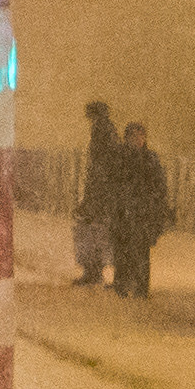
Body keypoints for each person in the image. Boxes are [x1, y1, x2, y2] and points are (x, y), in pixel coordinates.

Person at [95, 118, 173, 298]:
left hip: (141, 214)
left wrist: (153, 207)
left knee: (140, 252)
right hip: (124, 212)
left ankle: (140, 288)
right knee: (122, 250)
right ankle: (122, 285)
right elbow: (112, 182)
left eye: (141, 136)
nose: (138, 140)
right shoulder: (120, 157)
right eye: (134, 136)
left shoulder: (149, 159)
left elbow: (158, 186)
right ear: (127, 137)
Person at [73, 100, 121, 288]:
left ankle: (92, 271)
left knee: (92, 232)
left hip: (99, 193)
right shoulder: (108, 130)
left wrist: (93, 193)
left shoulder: (102, 130)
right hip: (101, 192)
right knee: (97, 232)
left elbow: (100, 164)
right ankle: (95, 270)